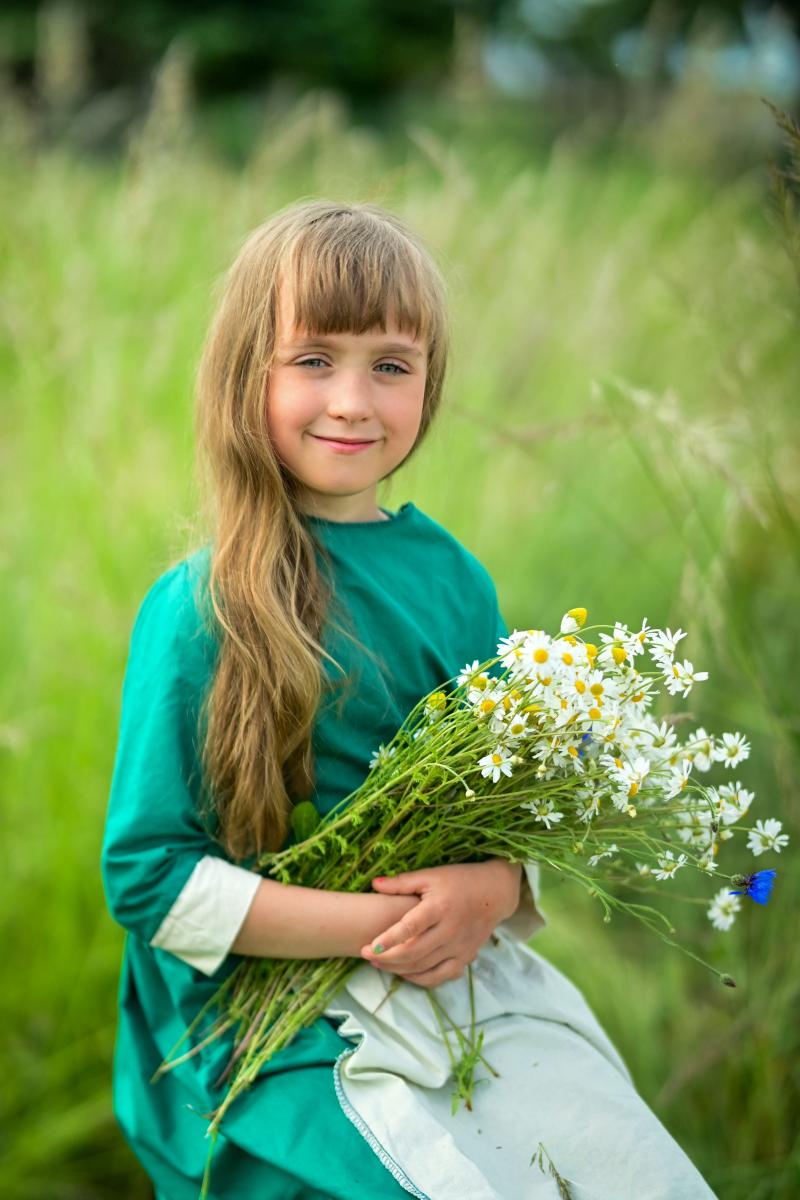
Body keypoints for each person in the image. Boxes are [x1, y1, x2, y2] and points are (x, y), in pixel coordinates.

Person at [101, 199, 718, 1199]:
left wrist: (494, 890)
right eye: (312, 360)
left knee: (619, 1173)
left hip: (447, 971)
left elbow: (503, 799)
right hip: (268, 1007)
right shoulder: (197, 609)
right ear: (244, 371)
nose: (352, 400)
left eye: (390, 365)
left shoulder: (453, 581)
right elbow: (150, 881)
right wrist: (365, 927)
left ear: (428, 387)